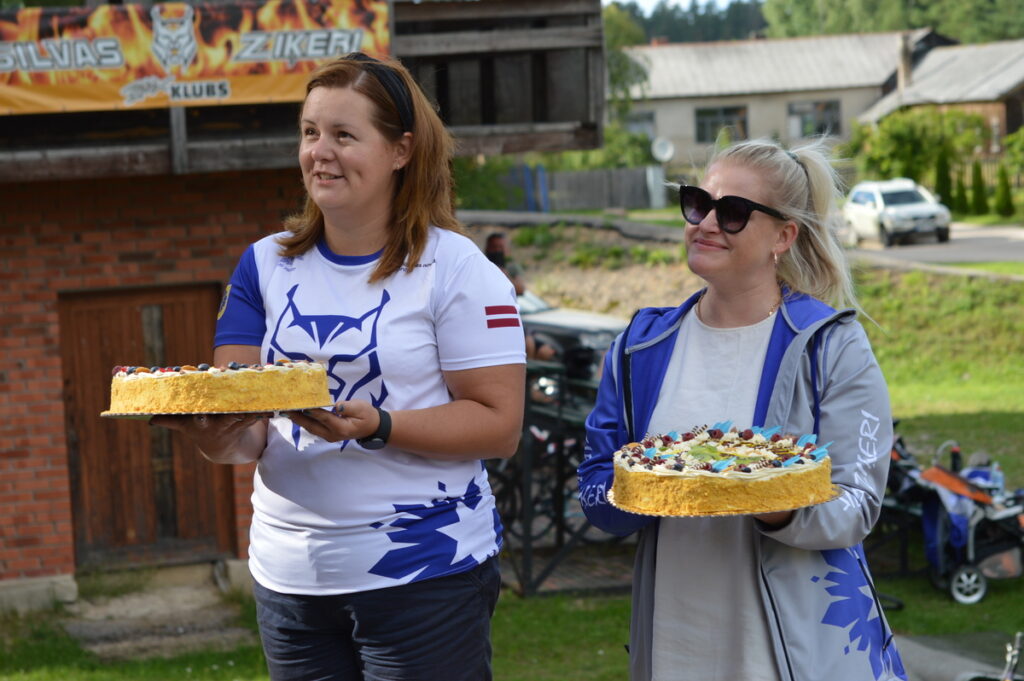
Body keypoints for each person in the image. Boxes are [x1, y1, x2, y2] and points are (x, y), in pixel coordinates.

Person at [153, 53, 525, 681]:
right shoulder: (263, 264)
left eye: (344, 135)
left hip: (423, 573)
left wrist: (380, 424)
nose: (319, 153)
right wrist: (211, 434)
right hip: (290, 580)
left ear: (401, 150)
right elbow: (246, 430)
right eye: (309, 132)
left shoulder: (457, 269)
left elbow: (500, 426)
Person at [577, 138, 907, 681]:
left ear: (783, 236)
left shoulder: (832, 344)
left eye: (732, 212)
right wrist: (648, 487)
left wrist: (771, 502)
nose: (706, 223)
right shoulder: (638, 346)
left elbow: (858, 504)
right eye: (697, 203)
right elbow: (595, 488)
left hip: (800, 651)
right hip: (675, 644)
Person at [483, 231, 556, 361]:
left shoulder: (510, 267)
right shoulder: (482, 265)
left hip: (513, 316)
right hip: (494, 318)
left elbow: (521, 289)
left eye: (501, 247)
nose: (498, 251)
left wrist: (504, 274)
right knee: (527, 343)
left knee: (545, 351)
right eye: (494, 247)